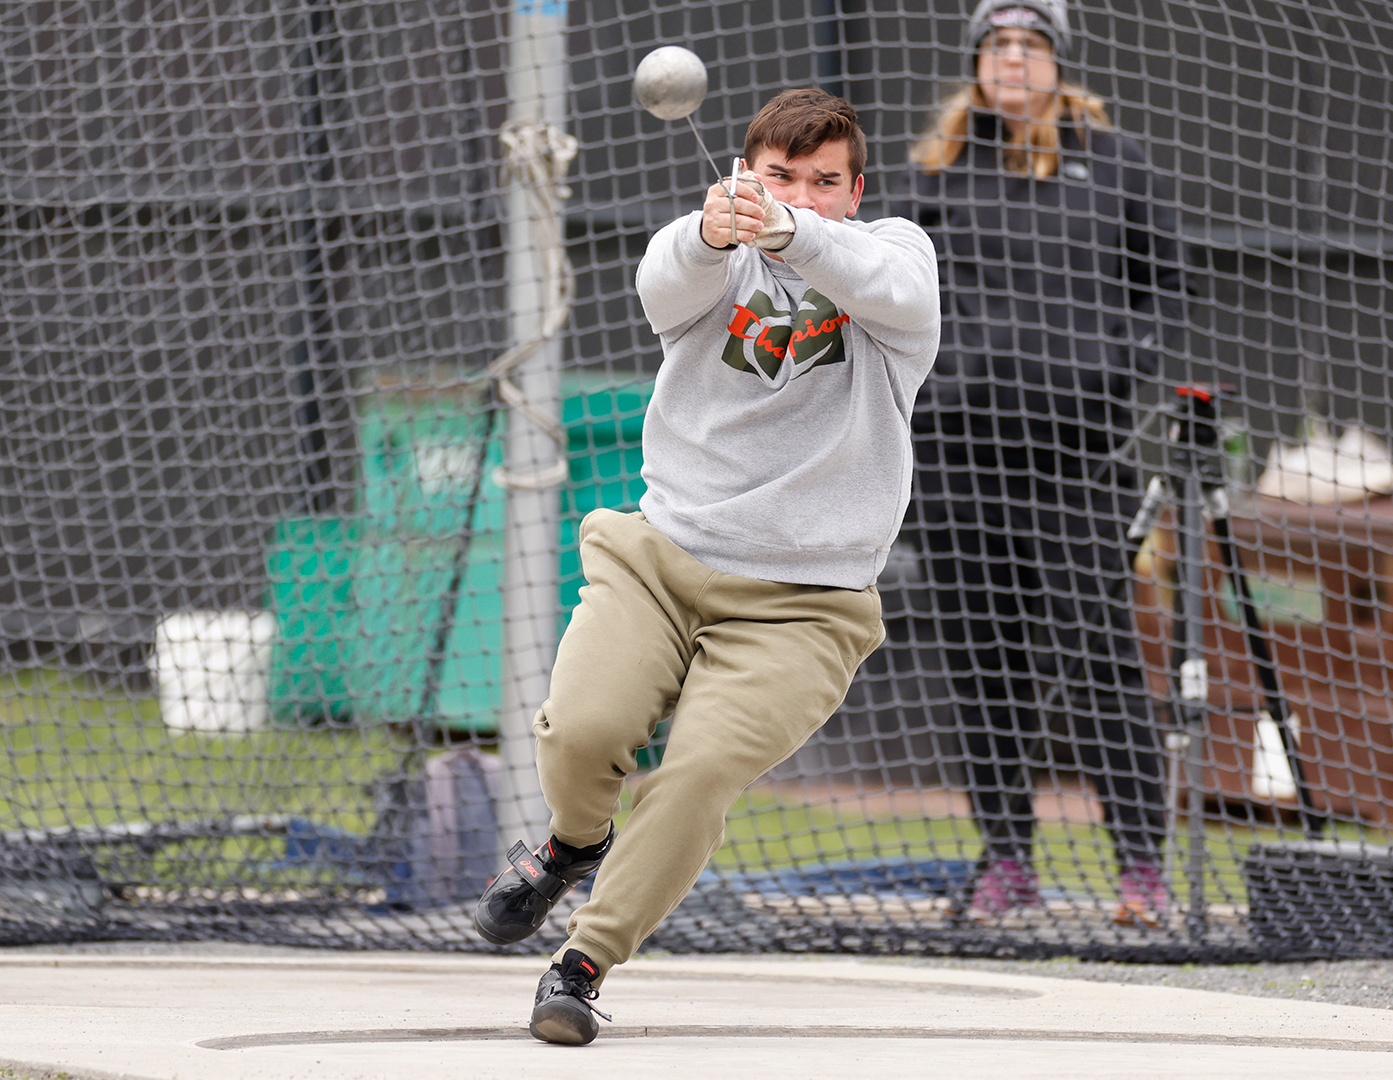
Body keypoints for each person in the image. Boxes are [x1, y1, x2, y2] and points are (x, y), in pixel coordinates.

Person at [473, 88, 940, 1045]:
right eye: (779, 177)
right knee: (583, 732)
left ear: (858, 192)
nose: (802, 197)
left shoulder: (894, 255)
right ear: (742, 172)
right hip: (663, 558)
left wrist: (789, 231)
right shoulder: (711, 252)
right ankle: (571, 842)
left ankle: (581, 964)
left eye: (824, 183)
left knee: (696, 776)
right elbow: (660, 285)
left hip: (805, 605)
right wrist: (708, 231)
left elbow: (892, 291)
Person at [900, 0, 1183, 927]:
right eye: (996, 45)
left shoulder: (1118, 165)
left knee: (1101, 659)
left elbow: (1163, 289)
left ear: (1059, 62)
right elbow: (897, 300)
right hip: (957, 460)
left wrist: (1113, 374)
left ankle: (1140, 869)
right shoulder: (938, 171)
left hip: (1072, 457)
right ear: (977, 61)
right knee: (987, 665)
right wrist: (935, 394)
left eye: (1029, 45)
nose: (1011, 59)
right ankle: (1006, 860)